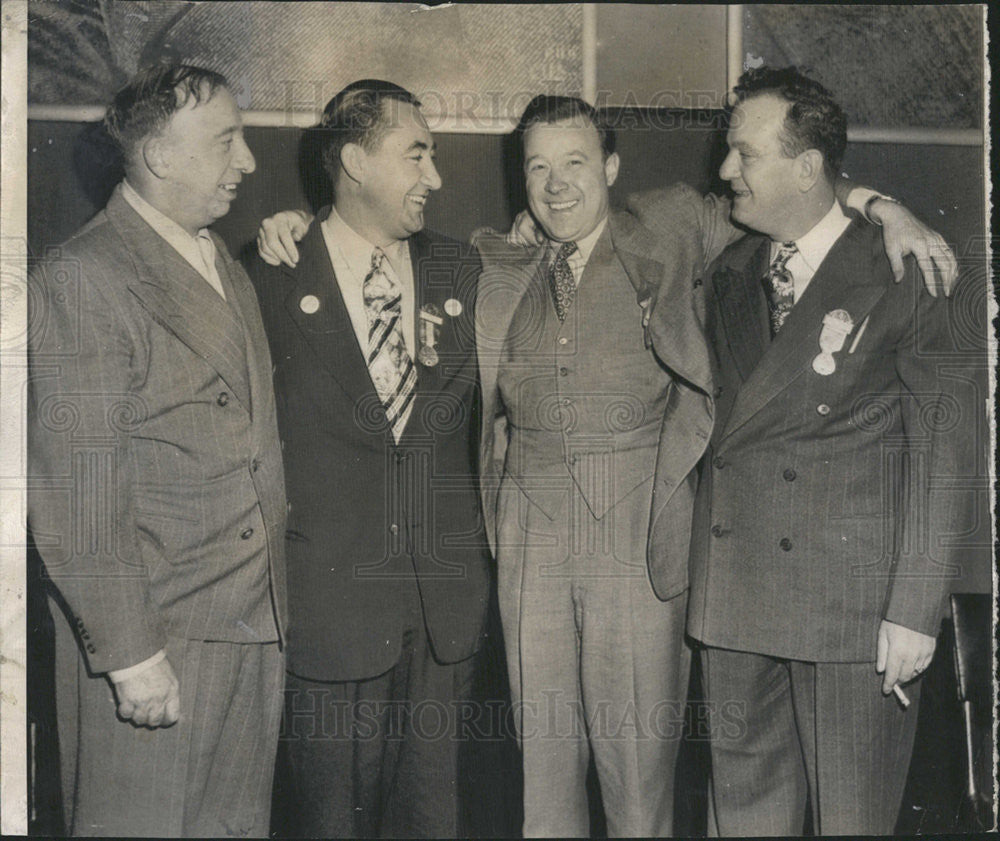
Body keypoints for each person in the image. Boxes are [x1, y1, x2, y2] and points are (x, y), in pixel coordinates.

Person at [256, 96, 956, 838]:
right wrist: (298, 222)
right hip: (529, 537)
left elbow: (796, 192)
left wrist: (882, 205)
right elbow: (371, 253)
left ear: (613, 168)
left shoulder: (675, 223)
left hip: (636, 539)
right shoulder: (492, 258)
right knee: (542, 771)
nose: (557, 185)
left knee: (637, 776)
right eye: (538, 167)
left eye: (576, 164)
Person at [680, 66, 969, 835]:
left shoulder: (903, 268)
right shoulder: (733, 268)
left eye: (744, 154)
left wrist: (915, 608)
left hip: (856, 615)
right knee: (745, 820)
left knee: (853, 822)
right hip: (736, 600)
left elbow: (944, 452)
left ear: (807, 168)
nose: (724, 170)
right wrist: (876, 197)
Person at [27, 64, 286, 837]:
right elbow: (78, 487)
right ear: (160, 156)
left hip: (250, 622)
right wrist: (132, 655)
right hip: (159, 639)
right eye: (227, 142)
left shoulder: (219, 262)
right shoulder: (82, 277)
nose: (247, 162)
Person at [246, 80, 489, 838]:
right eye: (417, 154)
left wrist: (869, 206)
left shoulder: (465, 270)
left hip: (443, 613)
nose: (436, 178)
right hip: (330, 607)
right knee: (328, 821)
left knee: (435, 817)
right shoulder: (267, 275)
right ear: (353, 159)